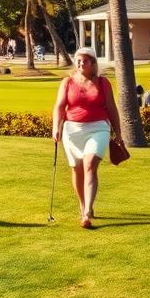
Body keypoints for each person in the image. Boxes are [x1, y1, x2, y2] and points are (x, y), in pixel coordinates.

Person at [52, 47, 123, 229]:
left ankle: (86, 213)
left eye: (84, 61)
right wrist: (56, 127)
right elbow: (60, 106)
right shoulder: (67, 82)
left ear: (93, 64)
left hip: (98, 128)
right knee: (77, 169)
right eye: (78, 60)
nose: (80, 63)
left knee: (90, 164)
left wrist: (118, 133)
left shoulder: (103, 82)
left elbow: (112, 108)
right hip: (72, 130)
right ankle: (83, 206)